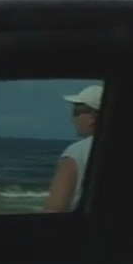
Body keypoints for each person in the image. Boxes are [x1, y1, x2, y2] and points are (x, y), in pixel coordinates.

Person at [43, 84, 102, 213]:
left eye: (76, 112)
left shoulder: (76, 152)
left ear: (92, 117)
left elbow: (55, 207)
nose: (72, 119)